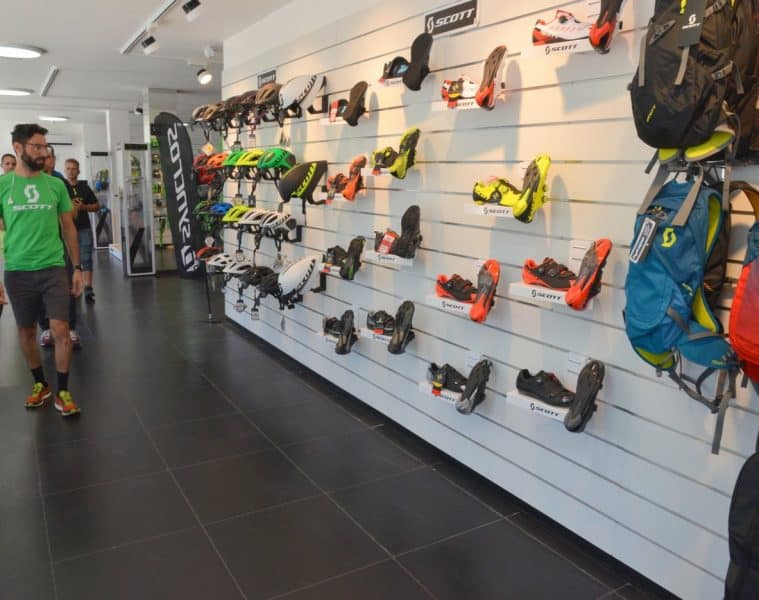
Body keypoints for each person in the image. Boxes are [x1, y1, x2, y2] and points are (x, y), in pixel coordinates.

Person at [0, 123, 83, 416]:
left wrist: (78, 268)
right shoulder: (3, 186)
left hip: (53, 267)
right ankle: (40, 384)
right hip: (17, 270)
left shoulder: (55, 185)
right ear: (18, 147)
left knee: (61, 330)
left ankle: (63, 390)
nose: (43, 152)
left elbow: (69, 228)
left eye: (45, 147)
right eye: (37, 146)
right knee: (26, 331)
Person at [38, 148, 80, 347]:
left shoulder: (59, 182)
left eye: (48, 157)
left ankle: (70, 328)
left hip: (58, 243)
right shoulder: (29, 182)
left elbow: (71, 215)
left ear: (53, 160)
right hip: (34, 248)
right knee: (38, 290)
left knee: (67, 286)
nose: (44, 160)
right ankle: (46, 328)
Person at [64, 158, 98, 302]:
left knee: (86, 257)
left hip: (84, 227)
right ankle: (73, 286)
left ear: (78, 171)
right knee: (69, 258)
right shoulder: (61, 187)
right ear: (65, 171)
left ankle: (88, 288)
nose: (71, 171)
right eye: (68, 169)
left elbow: (96, 206)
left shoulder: (85, 188)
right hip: (66, 229)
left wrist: (83, 207)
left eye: (74, 169)